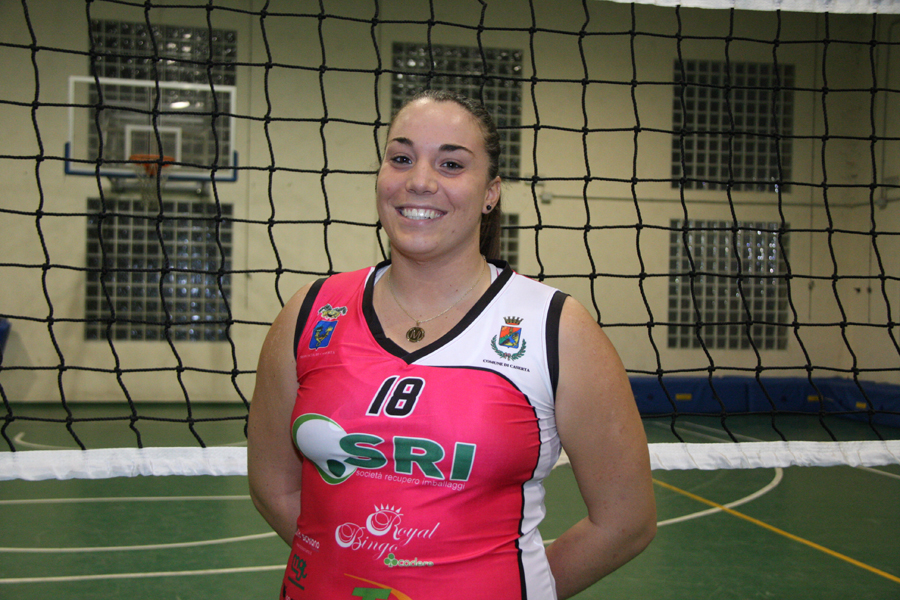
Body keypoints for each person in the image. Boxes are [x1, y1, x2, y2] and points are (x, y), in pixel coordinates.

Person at [247, 89, 656, 600]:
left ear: (491, 193)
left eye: (451, 164)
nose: (419, 181)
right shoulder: (309, 313)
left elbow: (624, 522)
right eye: (401, 158)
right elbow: (274, 486)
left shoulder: (556, 329)